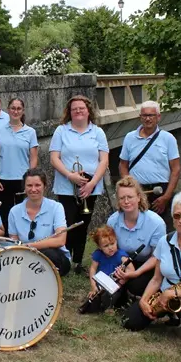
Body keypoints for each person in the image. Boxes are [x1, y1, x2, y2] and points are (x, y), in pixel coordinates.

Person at [123, 192, 181, 343]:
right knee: (130, 321)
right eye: (177, 216)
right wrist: (144, 300)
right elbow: (156, 279)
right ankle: (171, 314)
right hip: (166, 293)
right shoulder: (164, 241)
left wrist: (172, 293)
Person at [49, 95, 110, 273]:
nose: (78, 111)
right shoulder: (61, 131)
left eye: (81, 108)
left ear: (88, 110)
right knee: (66, 224)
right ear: (70, 112)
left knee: (83, 224)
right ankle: (63, 261)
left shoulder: (97, 132)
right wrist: (70, 175)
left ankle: (77, 262)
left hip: (90, 187)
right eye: (74, 108)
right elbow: (54, 158)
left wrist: (92, 184)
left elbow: (104, 160)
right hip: (67, 187)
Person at [119, 101, 180, 227]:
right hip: (136, 190)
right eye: (144, 115)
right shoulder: (129, 137)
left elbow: (176, 169)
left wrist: (167, 196)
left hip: (160, 192)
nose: (148, 119)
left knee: (161, 228)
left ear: (158, 117)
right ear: (140, 117)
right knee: (135, 226)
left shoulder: (168, 138)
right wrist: (128, 187)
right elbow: (123, 165)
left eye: (151, 115)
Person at [107, 176, 167, 299]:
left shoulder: (156, 223)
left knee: (136, 285)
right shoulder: (112, 220)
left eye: (130, 197)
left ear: (139, 197)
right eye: (122, 198)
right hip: (121, 261)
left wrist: (135, 273)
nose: (126, 201)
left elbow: (157, 257)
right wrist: (123, 268)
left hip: (146, 264)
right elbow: (111, 249)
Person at [8, 168, 71, 276]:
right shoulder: (14, 211)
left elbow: (60, 240)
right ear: (24, 187)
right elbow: (14, 241)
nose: (33, 189)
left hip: (53, 256)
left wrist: (32, 246)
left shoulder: (56, 207)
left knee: (48, 254)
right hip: (25, 255)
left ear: (44, 186)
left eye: (37, 185)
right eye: (29, 185)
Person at [0, 97, 38, 235]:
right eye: (13, 108)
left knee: (23, 214)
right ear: (8, 110)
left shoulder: (30, 132)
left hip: (22, 180)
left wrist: (30, 178)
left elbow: (33, 157)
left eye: (18, 108)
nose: (15, 111)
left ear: (23, 111)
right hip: (2, 179)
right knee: (4, 215)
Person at [80, 225, 134, 313]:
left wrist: (122, 280)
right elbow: (93, 269)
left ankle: (110, 306)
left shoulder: (121, 255)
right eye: (106, 246)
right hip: (101, 284)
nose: (110, 248)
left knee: (110, 297)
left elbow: (131, 270)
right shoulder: (98, 254)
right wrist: (93, 287)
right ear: (100, 247)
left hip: (116, 286)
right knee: (94, 299)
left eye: (112, 244)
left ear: (116, 241)